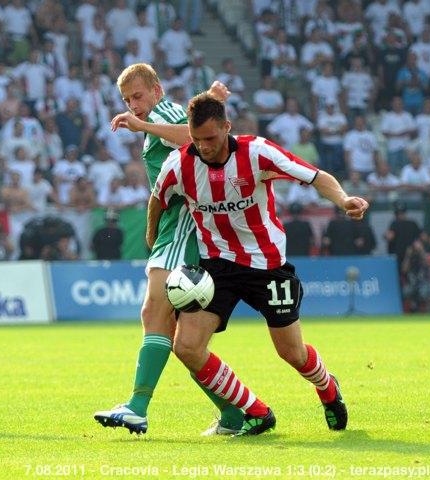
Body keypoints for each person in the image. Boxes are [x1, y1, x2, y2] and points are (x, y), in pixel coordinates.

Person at [151, 93, 368, 435]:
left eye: (210, 138)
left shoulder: (257, 152)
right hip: (217, 267)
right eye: (195, 140)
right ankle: (257, 411)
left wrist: (343, 199)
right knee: (187, 347)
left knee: (292, 353)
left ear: (227, 127)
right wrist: (152, 237)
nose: (203, 147)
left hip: (267, 266)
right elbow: (157, 199)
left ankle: (327, 387)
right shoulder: (179, 164)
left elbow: (315, 176)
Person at [93, 64, 245, 436]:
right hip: (174, 229)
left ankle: (138, 408)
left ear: (157, 91)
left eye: (138, 96)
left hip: (182, 228)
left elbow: (193, 137)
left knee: (153, 310)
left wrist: (144, 124)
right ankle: (235, 413)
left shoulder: (162, 114)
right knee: (182, 341)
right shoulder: (160, 116)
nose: (134, 105)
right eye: (127, 100)